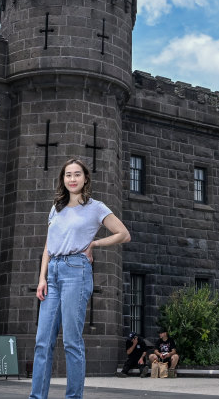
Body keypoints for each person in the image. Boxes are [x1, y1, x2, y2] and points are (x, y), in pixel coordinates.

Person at [29, 158, 131, 399]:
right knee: (42, 341)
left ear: (85, 178)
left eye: (76, 174)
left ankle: (73, 397)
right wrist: (42, 278)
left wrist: (94, 242)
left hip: (76, 271)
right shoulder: (56, 207)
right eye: (67, 175)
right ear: (63, 180)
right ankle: (36, 397)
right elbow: (48, 245)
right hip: (52, 272)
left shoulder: (96, 207)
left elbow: (123, 234)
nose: (72, 179)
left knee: (71, 342)